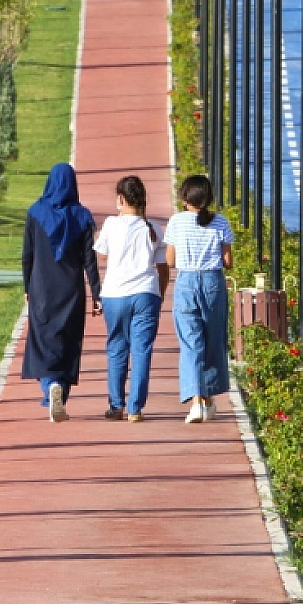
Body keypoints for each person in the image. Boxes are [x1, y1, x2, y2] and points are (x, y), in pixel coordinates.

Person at [22, 163, 101, 422]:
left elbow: (28, 256)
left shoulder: (35, 213)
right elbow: (90, 260)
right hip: (71, 290)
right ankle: (60, 391)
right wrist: (97, 293)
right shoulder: (82, 216)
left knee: (43, 339)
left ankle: (50, 388)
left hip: (42, 287)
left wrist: (27, 288)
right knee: (68, 340)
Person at [95, 175, 170, 422]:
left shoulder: (110, 225)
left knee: (117, 347)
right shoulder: (153, 229)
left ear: (120, 199)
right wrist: (159, 295)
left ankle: (116, 405)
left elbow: (102, 256)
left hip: (115, 294)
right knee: (142, 350)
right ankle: (135, 408)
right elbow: (163, 267)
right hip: (146, 293)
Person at [163, 174, 233, 424]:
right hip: (213, 282)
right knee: (213, 341)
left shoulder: (177, 222)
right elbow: (228, 262)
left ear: (184, 198)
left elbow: (170, 261)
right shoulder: (220, 222)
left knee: (191, 343)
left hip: (187, 283)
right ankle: (210, 397)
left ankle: (196, 402)